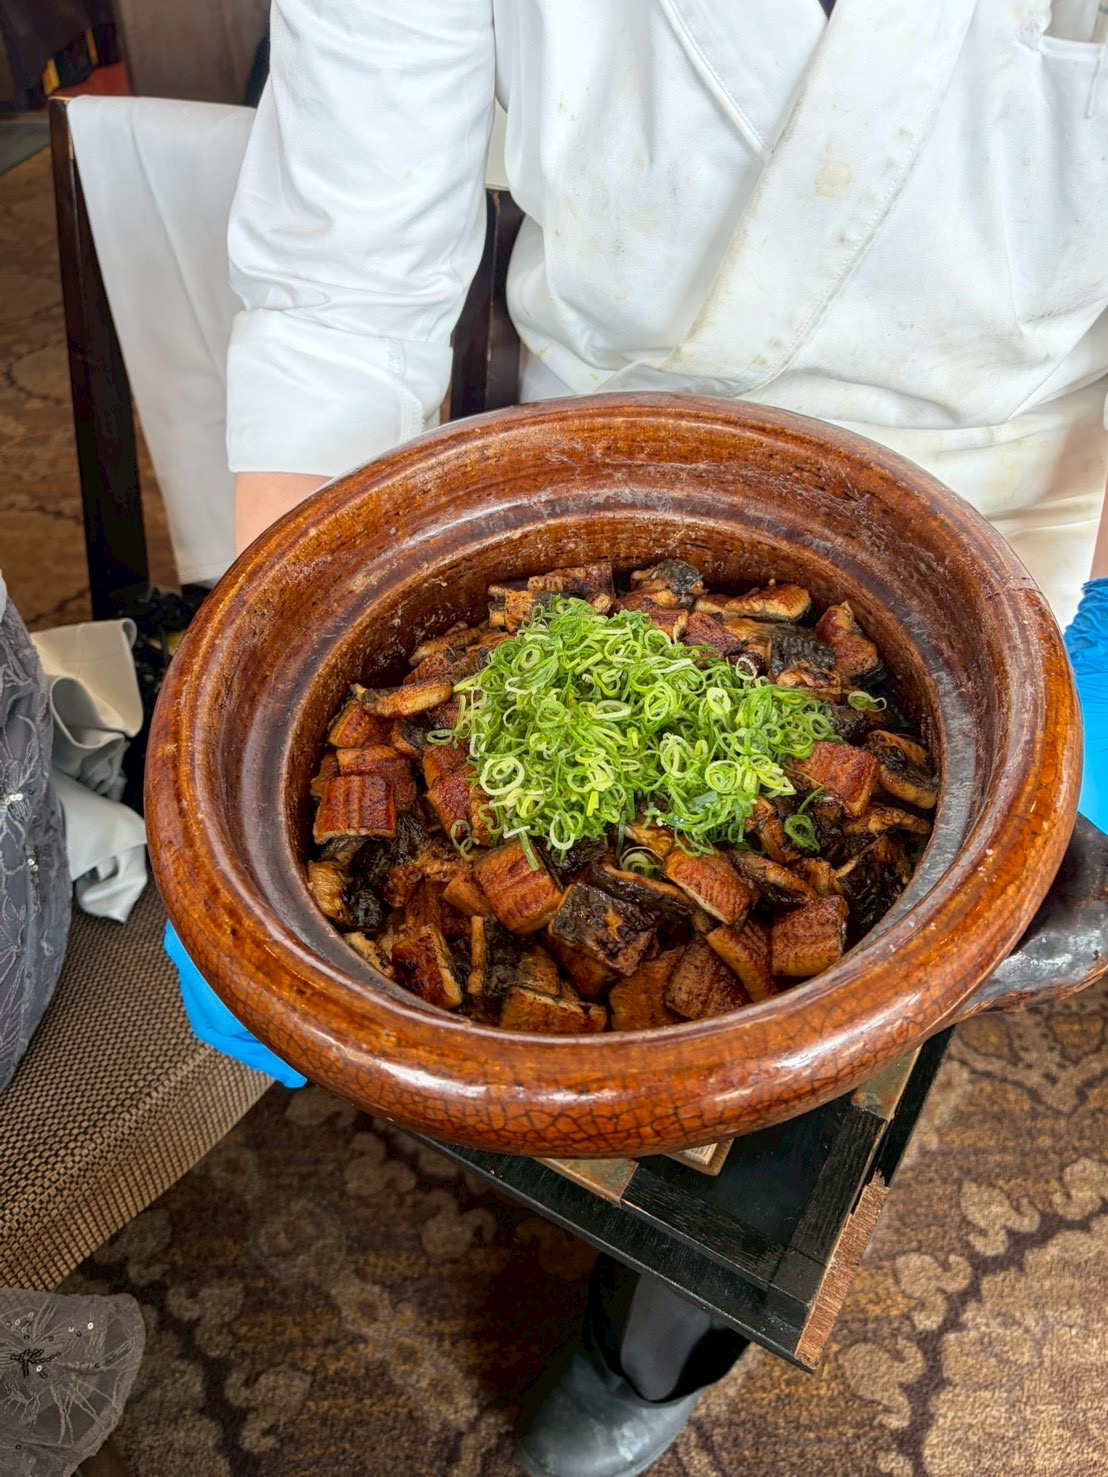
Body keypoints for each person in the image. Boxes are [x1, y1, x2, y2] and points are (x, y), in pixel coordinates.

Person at [170, 3, 1108, 1474]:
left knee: (821, 1081)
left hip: (1015, 527)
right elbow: (338, 292)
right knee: (250, 971)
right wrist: (296, 674)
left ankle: (650, 1349)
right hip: (601, 459)